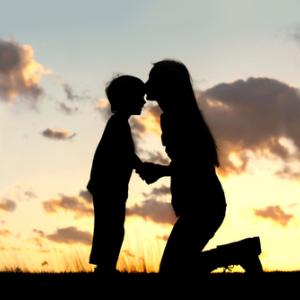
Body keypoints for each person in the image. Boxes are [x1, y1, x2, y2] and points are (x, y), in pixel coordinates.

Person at [138, 59, 262, 276]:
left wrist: (161, 171)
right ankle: (240, 252)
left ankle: (241, 253)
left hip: (203, 205)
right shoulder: (177, 116)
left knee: (172, 270)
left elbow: (193, 164)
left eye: (152, 79)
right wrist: (163, 170)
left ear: (167, 85)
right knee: (177, 268)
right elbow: (188, 162)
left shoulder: (177, 118)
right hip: (201, 204)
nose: (147, 84)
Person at [87, 75, 145, 274]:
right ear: (127, 98)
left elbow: (126, 154)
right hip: (108, 186)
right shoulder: (118, 123)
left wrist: (140, 166)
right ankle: (105, 267)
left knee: (111, 225)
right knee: (110, 226)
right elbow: (125, 153)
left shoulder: (119, 123)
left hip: (111, 185)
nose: (144, 101)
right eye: (140, 96)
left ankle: (106, 265)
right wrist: (142, 167)